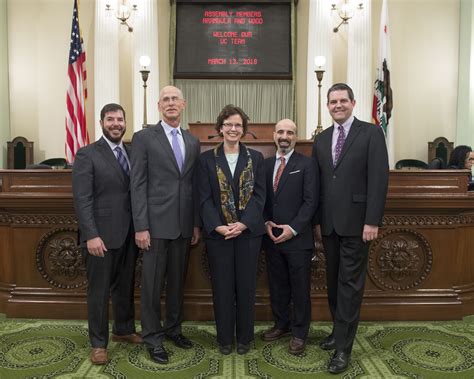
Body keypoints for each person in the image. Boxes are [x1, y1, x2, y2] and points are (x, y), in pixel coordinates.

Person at [312, 83, 389, 374]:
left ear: (353, 103)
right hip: (330, 226)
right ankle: (338, 331)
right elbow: (320, 184)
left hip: (359, 225)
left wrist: (373, 220)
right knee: (333, 283)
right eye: (333, 102)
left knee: (349, 287)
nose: (338, 105)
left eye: (343, 100)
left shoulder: (370, 133)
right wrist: (318, 221)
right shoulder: (321, 139)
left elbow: (379, 180)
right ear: (328, 106)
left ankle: (343, 350)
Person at [130, 86, 201, 364]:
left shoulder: (192, 141)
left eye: (175, 99)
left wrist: (195, 224)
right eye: (166, 99)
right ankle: (152, 336)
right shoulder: (144, 138)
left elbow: (192, 185)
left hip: (183, 227)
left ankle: (174, 329)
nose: (171, 103)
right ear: (159, 105)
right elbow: (137, 185)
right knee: (152, 286)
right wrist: (141, 226)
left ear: (183, 104)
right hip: (154, 227)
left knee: (176, 284)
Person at [72, 103, 142, 365]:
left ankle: (123, 330)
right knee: (99, 292)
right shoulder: (87, 154)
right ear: (101, 122)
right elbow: (82, 198)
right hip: (100, 236)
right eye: (110, 119)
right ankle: (98, 343)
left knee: (125, 286)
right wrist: (91, 234)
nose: (116, 124)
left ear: (125, 122)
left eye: (120, 119)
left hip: (130, 233)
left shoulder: (133, 152)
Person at [197, 104, 266, 355]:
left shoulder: (255, 158)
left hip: (248, 234)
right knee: (223, 288)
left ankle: (245, 338)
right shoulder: (206, 159)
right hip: (219, 236)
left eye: (238, 125)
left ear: (244, 129)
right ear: (220, 128)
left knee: (246, 287)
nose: (233, 129)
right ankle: (225, 339)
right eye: (228, 125)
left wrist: (243, 223)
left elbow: (260, 197)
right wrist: (218, 226)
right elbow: (203, 198)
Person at [261, 119, 318, 355]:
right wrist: (265, 222)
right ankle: (281, 324)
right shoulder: (263, 165)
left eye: (290, 132)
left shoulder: (307, 164)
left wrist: (292, 229)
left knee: (299, 289)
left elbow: (310, 202)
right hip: (271, 238)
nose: (285, 136)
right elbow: (260, 198)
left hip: (297, 239)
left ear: (296, 137)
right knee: (277, 285)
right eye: (281, 132)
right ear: (274, 135)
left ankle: (299, 333)